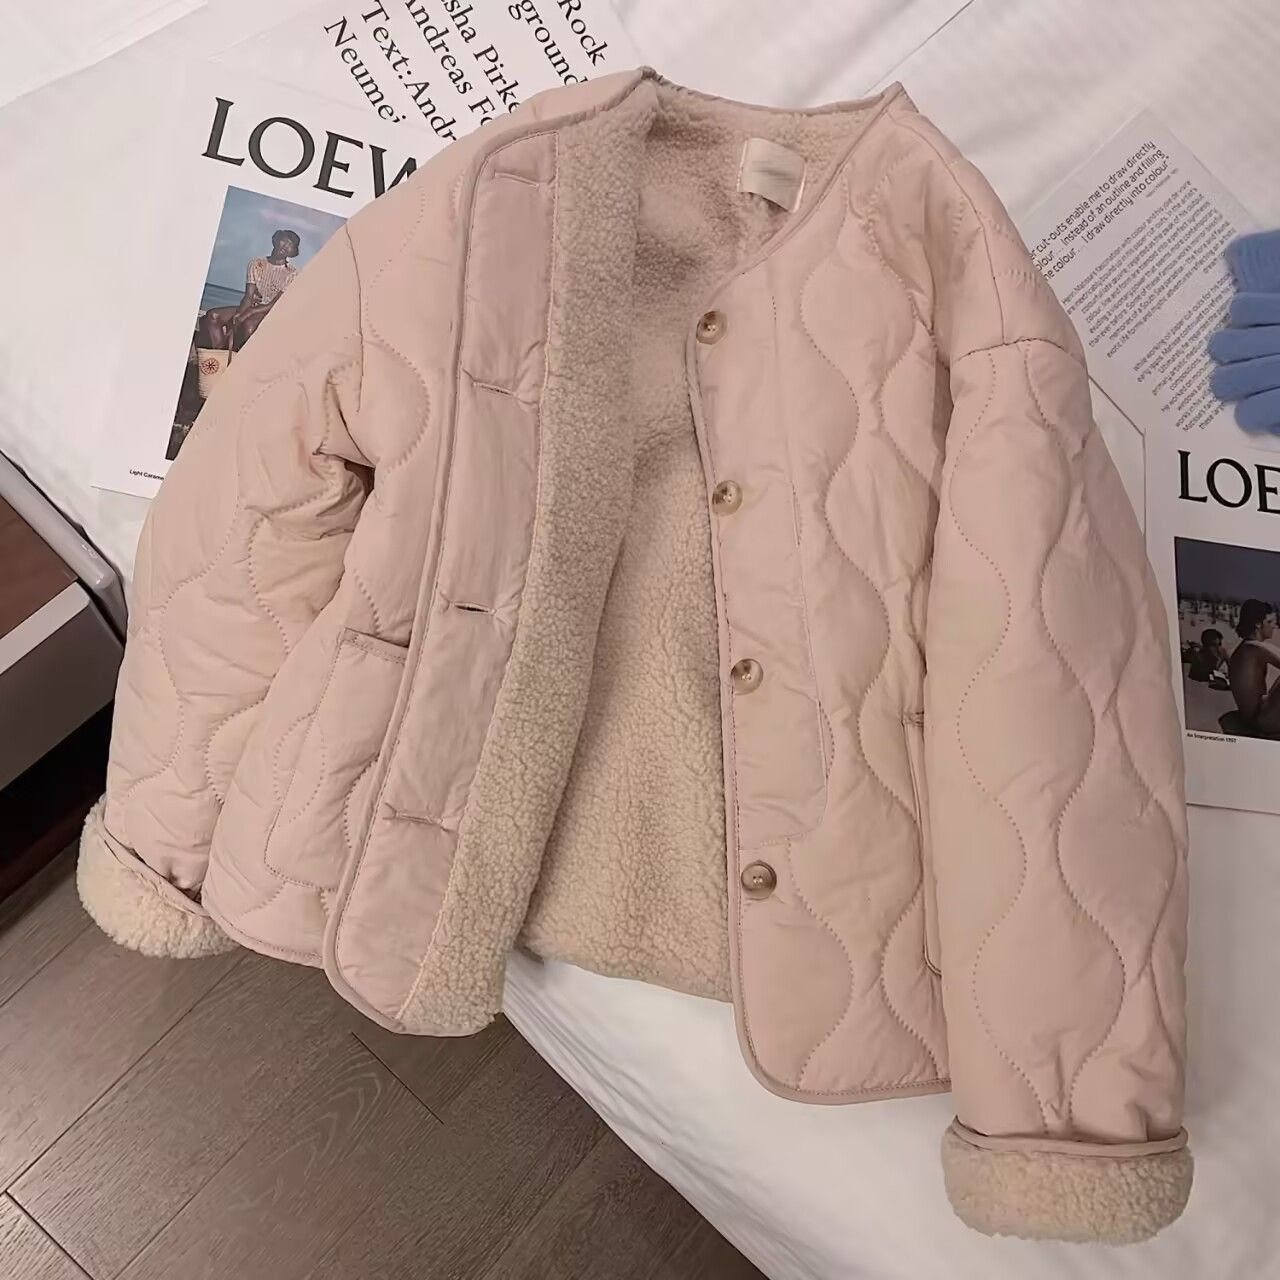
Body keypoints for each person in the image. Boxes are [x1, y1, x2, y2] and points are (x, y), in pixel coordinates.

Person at [197, 229, 301, 353]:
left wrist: (247, 313)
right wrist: (239, 314)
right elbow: (248, 296)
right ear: (276, 240)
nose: (285, 246)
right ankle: (220, 354)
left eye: (290, 245)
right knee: (213, 316)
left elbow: (273, 304)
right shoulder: (256, 263)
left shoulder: (292, 273)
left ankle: (239, 357)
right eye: (284, 241)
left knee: (248, 326)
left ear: (292, 252)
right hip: (253, 307)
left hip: (271, 312)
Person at [1227, 598, 1280, 733]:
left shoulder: (1244, 648)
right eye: (1269, 622)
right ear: (1258, 624)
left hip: (1252, 716)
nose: (1274, 626)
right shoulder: (1254, 648)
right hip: (1260, 720)